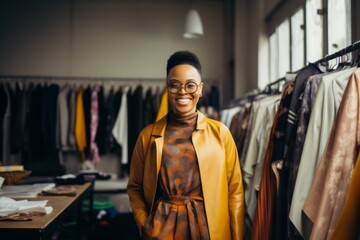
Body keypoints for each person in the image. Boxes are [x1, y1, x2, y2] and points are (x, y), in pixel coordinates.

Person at [127, 50, 245, 240]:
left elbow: (235, 192)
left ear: (200, 88)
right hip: (161, 232)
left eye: (190, 85)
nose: (182, 92)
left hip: (210, 232)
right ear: (167, 88)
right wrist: (145, 226)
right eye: (174, 85)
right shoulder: (148, 136)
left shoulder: (220, 133)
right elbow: (135, 187)